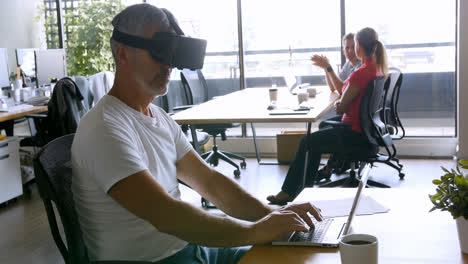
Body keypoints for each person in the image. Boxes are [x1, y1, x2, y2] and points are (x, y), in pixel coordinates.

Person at [71, 4, 322, 264]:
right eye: (160, 52)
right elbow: (165, 214)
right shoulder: (103, 127)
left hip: (190, 248)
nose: (169, 64)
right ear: (122, 54)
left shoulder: (158, 118)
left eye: (173, 53)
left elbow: (210, 182)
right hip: (156, 260)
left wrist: (273, 215)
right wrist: (256, 232)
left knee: (292, 256)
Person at [267, 27, 388, 205]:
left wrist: (341, 104)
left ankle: (289, 192)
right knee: (319, 134)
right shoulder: (374, 68)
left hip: (354, 134)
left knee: (307, 142)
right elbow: (344, 92)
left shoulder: (361, 73)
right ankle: (304, 187)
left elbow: (341, 107)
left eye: (353, 45)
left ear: (359, 47)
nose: (351, 49)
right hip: (365, 131)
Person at [310, 33, 362, 180]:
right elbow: (334, 87)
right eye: (347, 48)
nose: (350, 51)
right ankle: (336, 163)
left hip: (356, 118)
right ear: (343, 49)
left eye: (353, 47)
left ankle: (332, 166)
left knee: (325, 127)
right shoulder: (349, 64)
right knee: (325, 124)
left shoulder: (359, 67)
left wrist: (328, 67)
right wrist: (326, 69)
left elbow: (341, 90)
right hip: (357, 115)